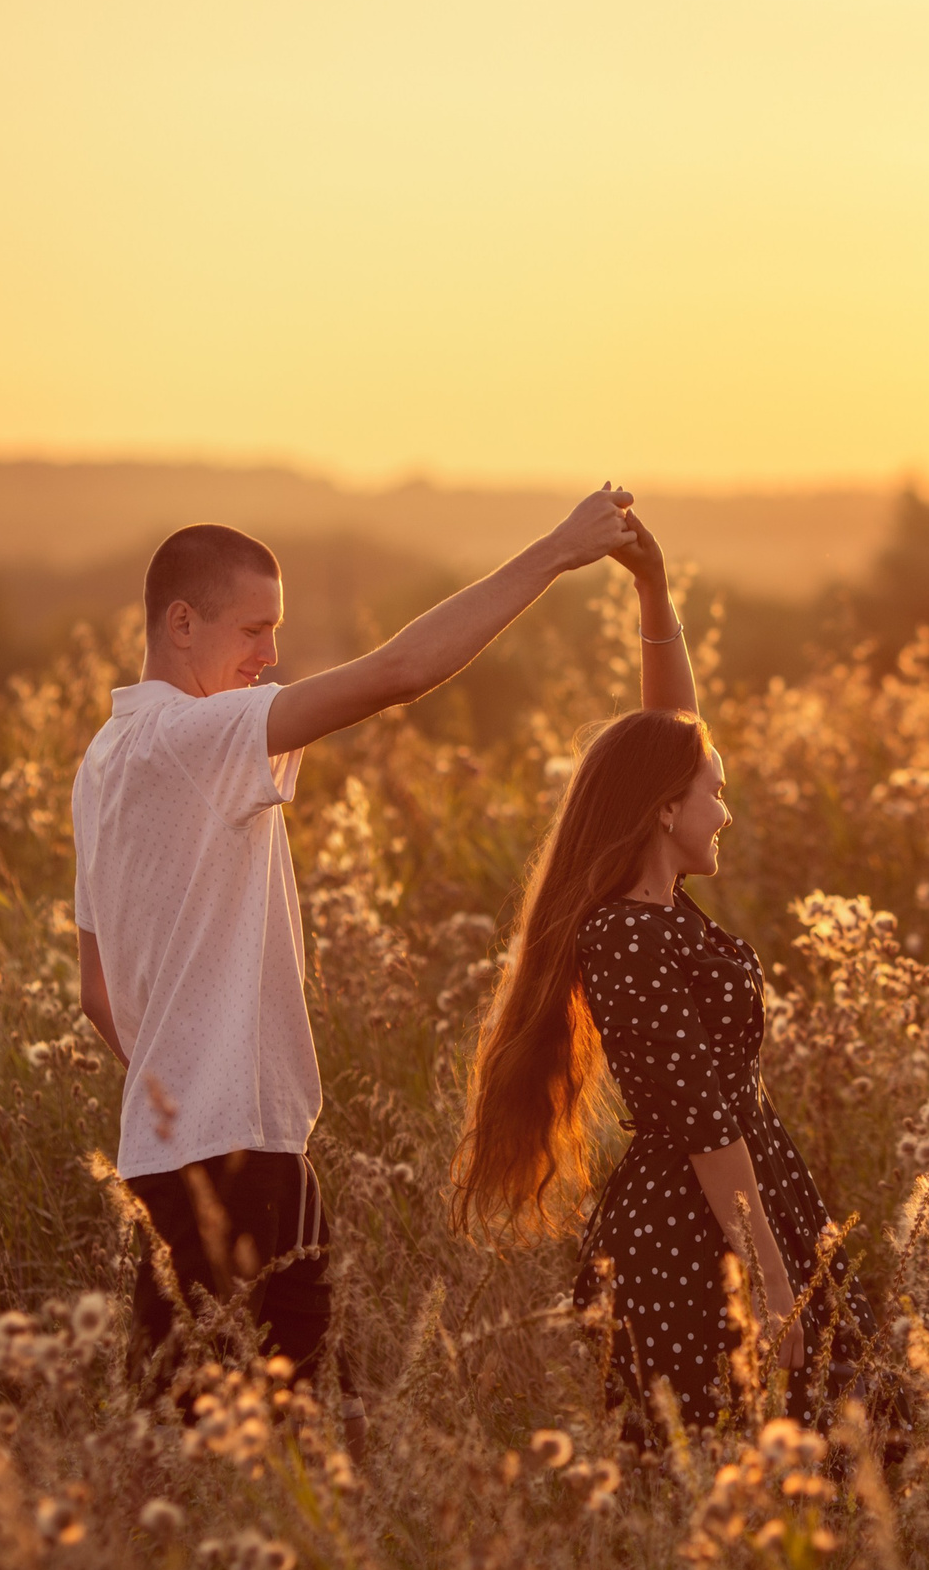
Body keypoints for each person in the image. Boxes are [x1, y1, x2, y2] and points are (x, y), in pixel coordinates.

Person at [73, 489, 644, 1449]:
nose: (270, 654)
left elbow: (97, 993)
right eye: (253, 628)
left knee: (214, 1448)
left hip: (190, 1155)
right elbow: (400, 671)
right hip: (240, 1149)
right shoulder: (194, 737)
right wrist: (556, 551)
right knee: (260, 1453)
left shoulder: (102, 761)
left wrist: (179, 1078)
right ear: (181, 622)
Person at [456, 519, 877, 1445]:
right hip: (696, 1232)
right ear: (663, 811)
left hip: (744, 1199)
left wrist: (652, 589)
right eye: (714, 794)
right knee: (726, 1461)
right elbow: (700, 1120)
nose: (724, 812)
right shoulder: (628, 937)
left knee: (825, 1450)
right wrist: (770, 1282)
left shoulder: (661, 907)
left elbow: (669, 741)